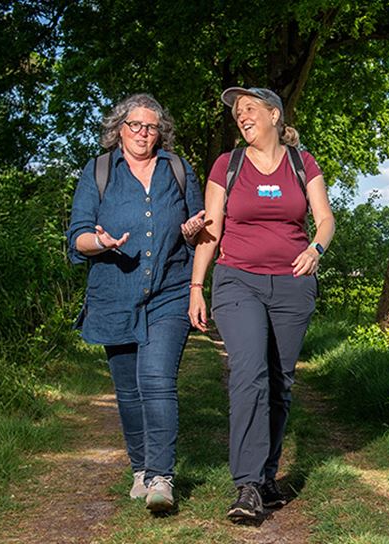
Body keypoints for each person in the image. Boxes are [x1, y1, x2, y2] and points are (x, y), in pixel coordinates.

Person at [188, 87, 335, 523]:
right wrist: (197, 284)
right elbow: (210, 231)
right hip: (238, 281)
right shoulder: (226, 164)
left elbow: (325, 218)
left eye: (249, 108)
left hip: (293, 285)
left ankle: (268, 476)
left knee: (278, 382)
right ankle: (248, 485)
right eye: (237, 112)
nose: (241, 116)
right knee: (248, 373)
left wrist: (316, 249)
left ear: (274, 114)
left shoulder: (300, 162)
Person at [66, 93, 206, 513]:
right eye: (135, 126)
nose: (143, 133)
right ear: (119, 129)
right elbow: (77, 236)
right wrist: (100, 242)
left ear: (160, 131)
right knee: (128, 391)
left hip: (170, 288)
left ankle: (162, 478)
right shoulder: (99, 171)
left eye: (151, 126)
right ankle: (141, 471)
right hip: (114, 293)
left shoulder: (178, 170)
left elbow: (199, 230)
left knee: (156, 379)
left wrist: (191, 229)